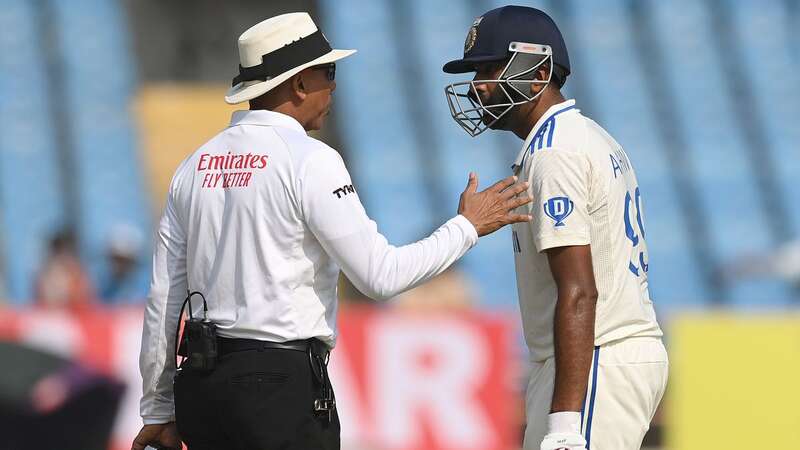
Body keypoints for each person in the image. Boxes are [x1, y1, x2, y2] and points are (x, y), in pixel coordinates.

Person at [132, 12, 532, 450]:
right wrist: (467, 227)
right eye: (329, 72)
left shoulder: (193, 166)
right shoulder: (310, 159)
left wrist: (158, 408)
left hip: (202, 387)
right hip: (280, 388)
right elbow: (381, 277)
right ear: (299, 84)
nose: (335, 86)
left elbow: (165, 301)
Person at [443, 6, 668, 450]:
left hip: (596, 358)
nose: (478, 86)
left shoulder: (554, 152)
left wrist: (565, 424)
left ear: (540, 69)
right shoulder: (584, 135)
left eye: (491, 69)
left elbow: (579, 289)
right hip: (597, 359)